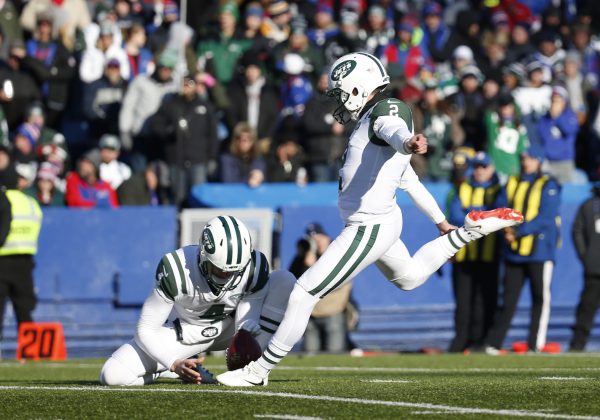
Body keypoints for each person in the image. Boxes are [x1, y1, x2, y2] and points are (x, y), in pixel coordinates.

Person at [217, 52, 524, 386]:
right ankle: (469, 231)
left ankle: (258, 371)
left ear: (357, 87)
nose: (338, 101)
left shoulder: (385, 112)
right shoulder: (368, 121)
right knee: (410, 277)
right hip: (379, 221)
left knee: (304, 293)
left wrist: (407, 141)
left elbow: (392, 128)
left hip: (369, 225)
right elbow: (409, 180)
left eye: (340, 92)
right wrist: (440, 221)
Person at [99, 216, 295, 385]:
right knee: (112, 375)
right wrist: (172, 363)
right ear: (203, 255)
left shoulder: (254, 266)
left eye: (234, 271)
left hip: (228, 328)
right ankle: (165, 371)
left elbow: (250, 305)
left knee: (284, 280)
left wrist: (245, 328)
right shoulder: (176, 269)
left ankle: (254, 369)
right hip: (185, 335)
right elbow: (145, 330)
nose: (226, 277)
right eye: (219, 270)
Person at [483, 144, 561, 354]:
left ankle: (535, 344)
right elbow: (500, 208)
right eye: (525, 158)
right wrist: (506, 229)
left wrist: (518, 231)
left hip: (539, 251)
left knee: (540, 298)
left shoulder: (548, 184)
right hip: (514, 252)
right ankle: (494, 343)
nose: (527, 162)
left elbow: (545, 217)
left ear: (539, 161)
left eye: (531, 159)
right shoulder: (512, 182)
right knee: (508, 299)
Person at [447, 152, 502, 353]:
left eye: (483, 167)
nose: (479, 171)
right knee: (463, 301)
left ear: (491, 169)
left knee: (485, 299)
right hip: (465, 253)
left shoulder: (498, 190)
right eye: (477, 167)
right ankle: (461, 340)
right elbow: (455, 215)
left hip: (489, 254)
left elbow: (499, 215)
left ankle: (482, 339)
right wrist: (481, 217)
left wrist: (472, 216)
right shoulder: (462, 188)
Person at [151, 73, 219, 207]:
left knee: (198, 196)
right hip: (176, 159)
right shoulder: (171, 105)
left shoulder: (204, 106)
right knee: (178, 196)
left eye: (190, 84)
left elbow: (213, 134)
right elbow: (156, 125)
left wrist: (212, 157)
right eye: (184, 84)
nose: (187, 87)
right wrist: (169, 131)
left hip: (198, 159)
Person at [289, 222, 351, 354]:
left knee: (334, 354)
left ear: (327, 237)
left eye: (320, 239)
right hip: (310, 314)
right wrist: (307, 263)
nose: (318, 243)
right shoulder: (305, 256)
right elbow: (293, 280)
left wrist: (315, 265)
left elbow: (336, 281)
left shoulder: (338, 251)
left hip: (333, 312)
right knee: (310, 353)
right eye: (314, 241)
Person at [0, 172, 42, 346]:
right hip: (25, 260)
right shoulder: (31, 203)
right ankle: (29, 350)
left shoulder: (3, 199)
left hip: (2, 259)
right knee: (24, 308)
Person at [569, 181, 600, 351]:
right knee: (587, 308)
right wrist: (586, 256)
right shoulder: (589, 205)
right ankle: (577, 345)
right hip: (595, 268)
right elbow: (577, 230)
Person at [219, 122, 266, 188]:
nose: (243, 141)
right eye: (239, 137)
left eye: (248, 138)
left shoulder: (258, 158)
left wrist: (257, 177)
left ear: (253, 140)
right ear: (234, 140)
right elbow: (228, 181)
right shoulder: (226, 158)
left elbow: (260, 175)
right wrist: (249, 180)